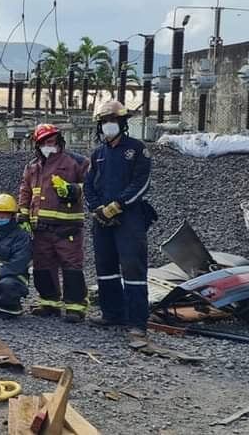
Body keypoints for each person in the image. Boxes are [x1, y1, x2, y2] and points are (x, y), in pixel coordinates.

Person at [85, 100, 155, 337]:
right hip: (101, 219)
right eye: (104, 122)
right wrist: (97, 209)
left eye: (113, 121)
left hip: (129, 218)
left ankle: (137, 322)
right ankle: (111, 314)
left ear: (122, 123)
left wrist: (118, 205)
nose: (108, 125)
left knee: (132, 268)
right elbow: (88, 185)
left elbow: (141, 182)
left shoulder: (136, 149)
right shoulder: (98, 154)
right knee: (105, 267)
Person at [19, 123, 90, 322]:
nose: (48, 145)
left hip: (67, 227)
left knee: (71, 266)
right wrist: (23, 216)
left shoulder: (76, 161)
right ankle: (49, 302)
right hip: (40, 227)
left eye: (51, 141)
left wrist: (74, 189)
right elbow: (25, 191)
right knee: (43, 265)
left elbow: (94, 184)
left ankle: (75, 307)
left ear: (59, 141)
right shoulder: (33, 166)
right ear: (38, 144)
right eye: (44, 142)